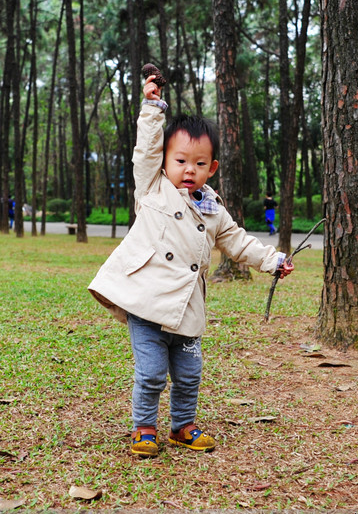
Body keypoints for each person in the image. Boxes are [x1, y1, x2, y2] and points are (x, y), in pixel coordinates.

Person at [88, 73, 294, 458]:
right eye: (180, 160)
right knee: (150, 374)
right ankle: (144, 428)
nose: (188, 169)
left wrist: (273, 260)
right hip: (147, 303)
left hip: (187, 309)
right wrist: (152, 108)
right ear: (165, 161)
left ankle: (182, 426)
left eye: (198, 163)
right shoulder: (152, 187)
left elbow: (236, 241)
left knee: (189, 374)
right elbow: (146, 151)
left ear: (211, 168)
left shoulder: (213, 209)